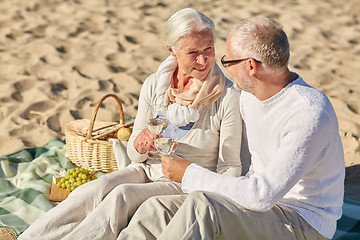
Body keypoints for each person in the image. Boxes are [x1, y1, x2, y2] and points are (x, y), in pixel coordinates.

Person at [18, 8, 243, 240]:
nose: (203, 59)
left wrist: (199, 182)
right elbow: (135, 156)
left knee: (121, 196)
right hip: (145, 169)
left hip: (184, 182)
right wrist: (140, 145)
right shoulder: (155, 84)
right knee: (94, 189)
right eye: (193, 52)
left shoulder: (227, 96)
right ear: (172, 51)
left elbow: (231, 166)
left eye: (209, 48)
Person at [119, 17, 345, 240]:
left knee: (204, 206)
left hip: (302, 222)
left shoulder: (308, 112)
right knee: (157, 208)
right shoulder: (249, 97)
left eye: (228, 62)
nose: (222, 68)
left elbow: (261, 196)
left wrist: (188, 173)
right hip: (258, 205)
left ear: (250, 66)